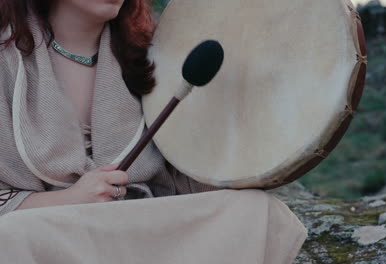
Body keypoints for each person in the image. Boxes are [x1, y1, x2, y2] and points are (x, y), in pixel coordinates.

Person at [0, 1, 306, 263]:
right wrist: (73, 198)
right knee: (11, 235)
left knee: (254, 210)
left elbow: (186, 178)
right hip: (48, 234)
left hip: (139, 223)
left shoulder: (155, 58)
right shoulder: (6, 61)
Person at [0, 0, 219, 215]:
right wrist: (66, 200)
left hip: (144, 235)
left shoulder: (159, 60)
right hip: (34, 244)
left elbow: (196, 186)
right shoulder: (6, 60)